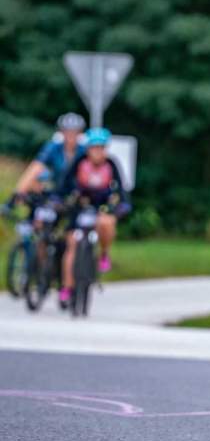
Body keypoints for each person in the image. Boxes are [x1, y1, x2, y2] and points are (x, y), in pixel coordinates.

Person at [58, 127, 130, 304]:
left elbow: (121, 189)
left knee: (107, 222)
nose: (98, 152)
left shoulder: (111, 164)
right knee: (72, 244)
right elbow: (64, 184)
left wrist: (123, 205)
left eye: (101, 148)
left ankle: (104, 253)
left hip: (101, 205)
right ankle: (67, 287)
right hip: (80, 204)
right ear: (88, 149)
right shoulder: (79, 162)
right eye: (94, 147)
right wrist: (61, 199)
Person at [9, 113, 86, 201]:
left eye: (74, 132)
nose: (70, 135)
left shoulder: (84, 150)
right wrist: (17, 193)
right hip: (54, 186)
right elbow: (35, 168)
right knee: (37, 182)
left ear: (80, 133)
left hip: (76, 191)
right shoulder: (53, 147)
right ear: (61, 132)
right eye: (67, 131)